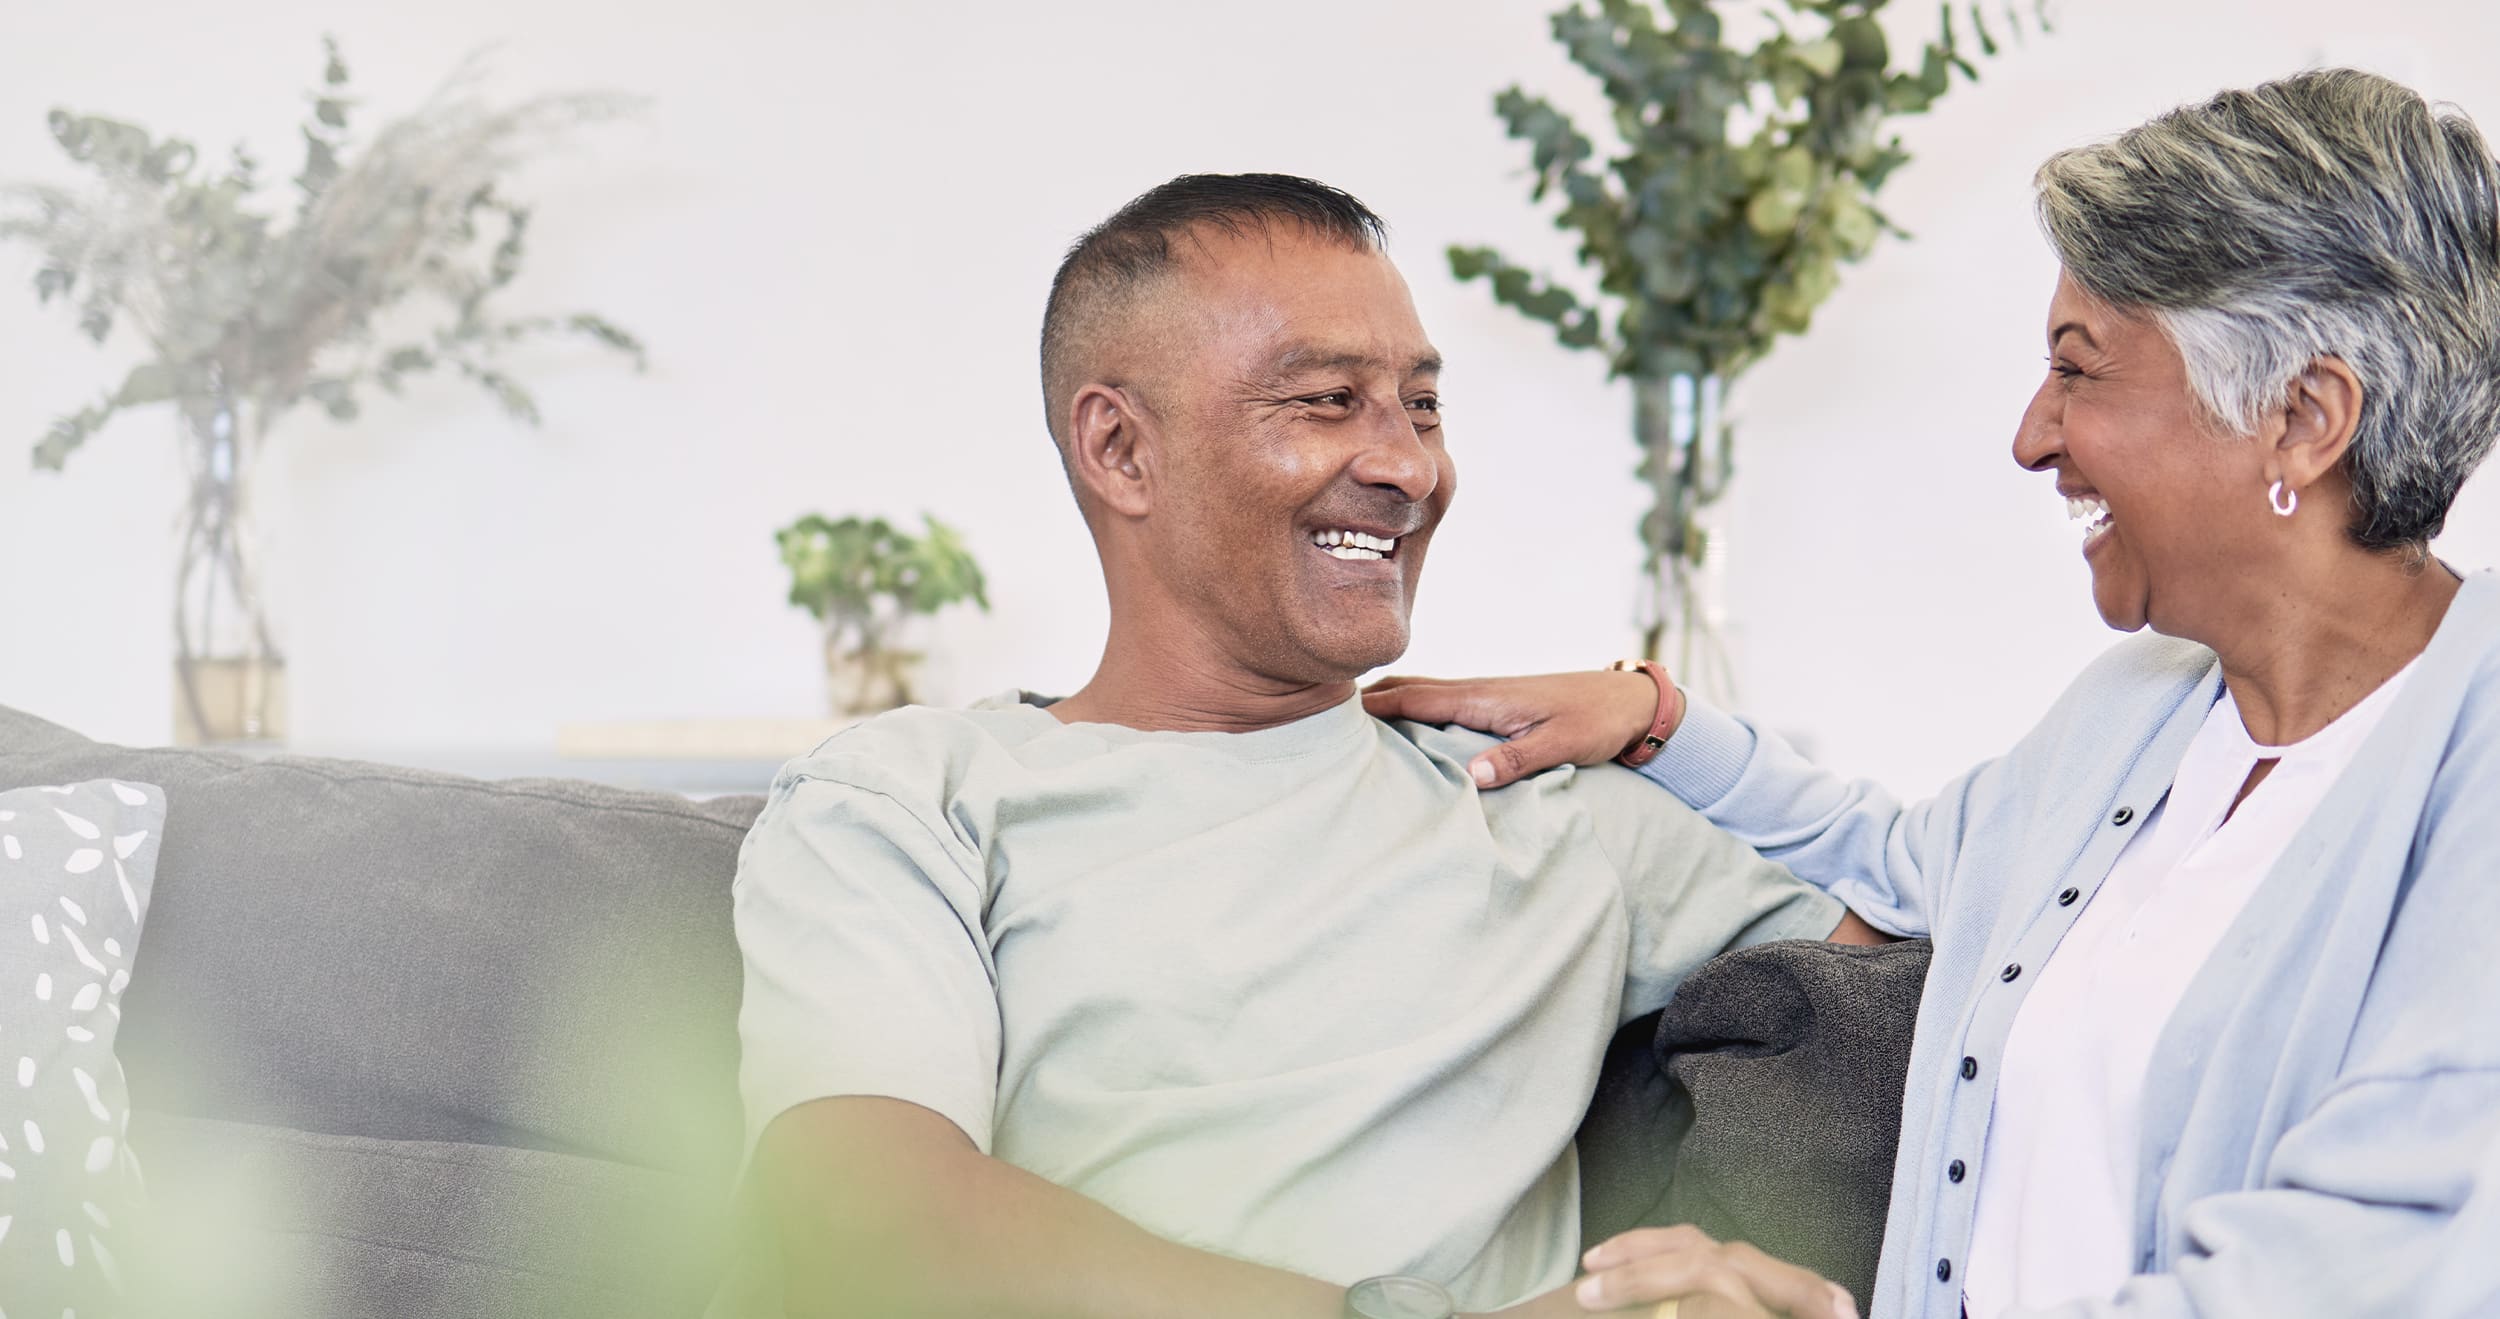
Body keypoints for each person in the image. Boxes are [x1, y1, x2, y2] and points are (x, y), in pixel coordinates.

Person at [1364, 68, 2500, 1319]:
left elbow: (2349, 1262)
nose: (2032, 435)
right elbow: (1904, 860)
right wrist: (1658, 717)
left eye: (2080, 370)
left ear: (2303, 417)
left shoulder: (2469, 747)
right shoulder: (2147, 706)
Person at [726, 173, 1882, 1319]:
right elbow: (873, 1227)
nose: (1406, 467)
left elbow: (1980, 945)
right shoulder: (908, 796)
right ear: (1121, 449)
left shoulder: (1540, 799)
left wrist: (1666, 716)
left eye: (1421, 405)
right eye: (1327, 399)